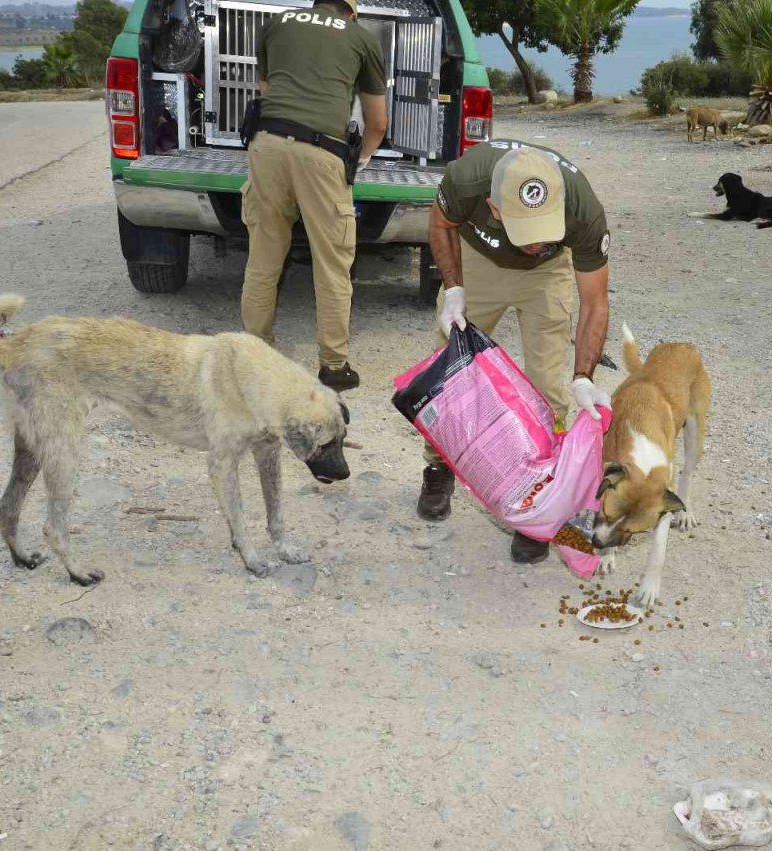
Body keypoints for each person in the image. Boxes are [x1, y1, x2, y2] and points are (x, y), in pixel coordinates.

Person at [416, 140, 612, 564]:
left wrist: (584, 376)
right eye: (527, 234)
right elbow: (440, 224)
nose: (535, 244)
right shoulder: (468, 179)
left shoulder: (583, 210)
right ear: (495, 206)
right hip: (479, 259)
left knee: (546, 383)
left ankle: (540, 504)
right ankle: (438, 467)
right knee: (450, 373)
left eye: (545, 233)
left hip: (545, 280)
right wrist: (454, 289)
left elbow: (596, 302)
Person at [239, 0, 388, 391]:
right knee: (333, 264)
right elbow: (377, 121)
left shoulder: (276, 22)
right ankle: (334, 367)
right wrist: (362, 160)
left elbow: (267, 89)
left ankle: (254, 355)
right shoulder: (361, 38)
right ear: (351, 12)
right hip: (322, 153)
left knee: (264, 256)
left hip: (266, 144)